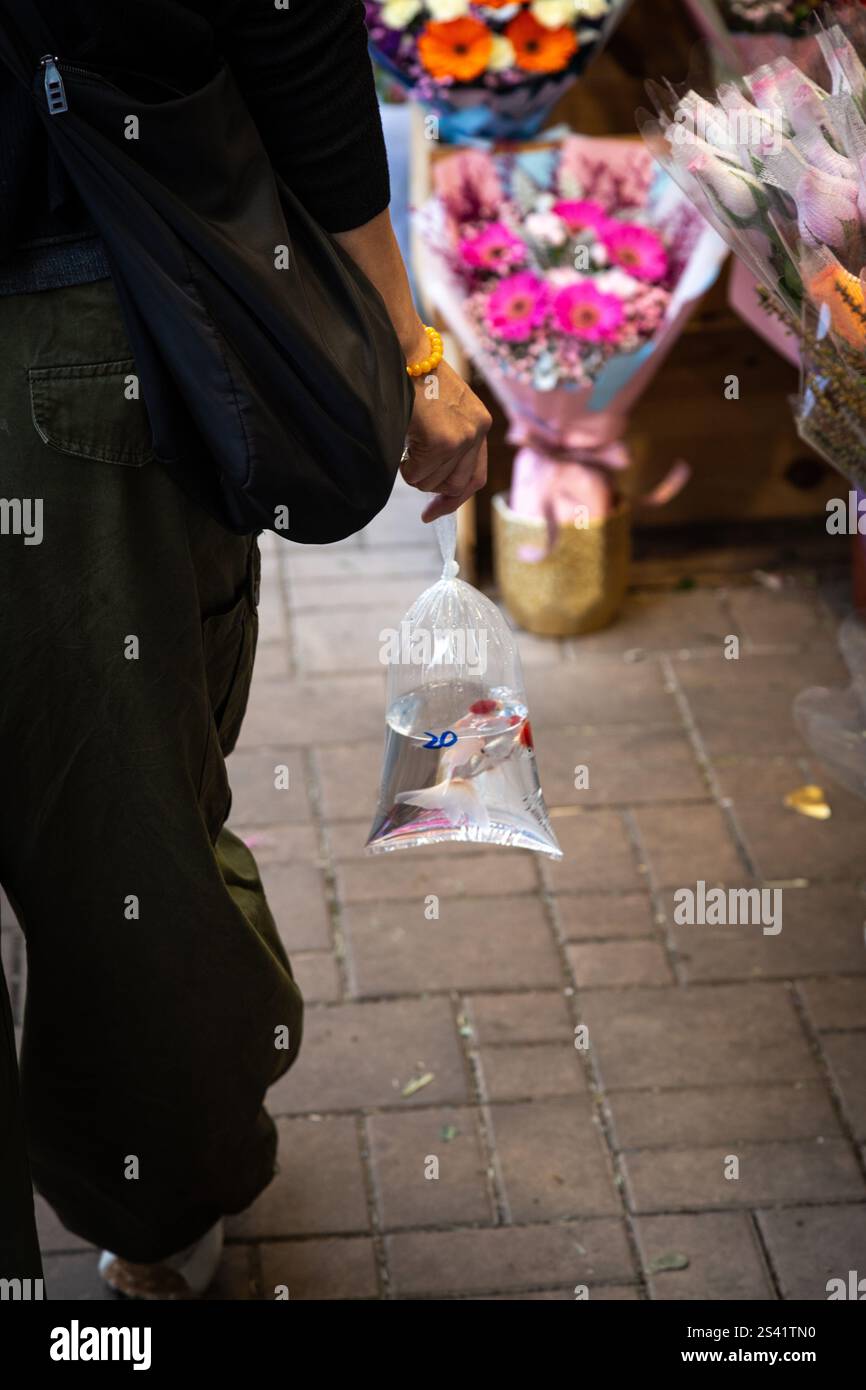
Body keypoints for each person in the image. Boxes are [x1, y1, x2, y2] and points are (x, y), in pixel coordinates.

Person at [0, 0, 490, 1300]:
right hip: (71, 325)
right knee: (124, 837)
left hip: (65, 322)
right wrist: (411, 349)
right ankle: (155, 1218)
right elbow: (295, 55)